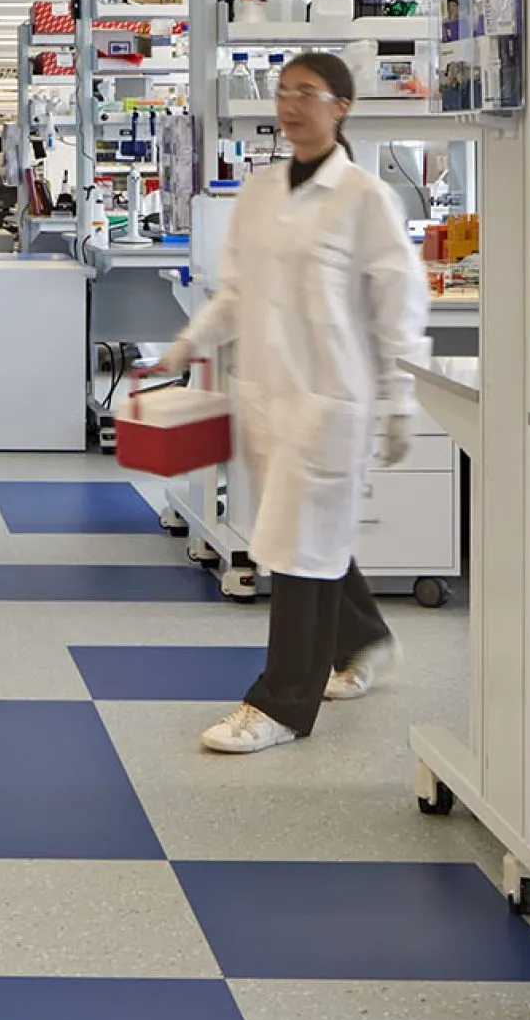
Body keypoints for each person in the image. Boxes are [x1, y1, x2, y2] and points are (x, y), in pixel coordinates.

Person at [157, 51, 431, 755]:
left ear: (341, 106)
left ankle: (280, 703)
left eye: (306, 93)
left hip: (335, 396)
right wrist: (187, 344)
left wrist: (400, 398)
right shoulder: (259, 191)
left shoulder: (365, 197)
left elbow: (398, 305)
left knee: (296, 548)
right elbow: (237, 290)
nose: (290, 105)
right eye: (283, 92)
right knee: (302, 533)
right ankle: (364, 636)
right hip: (270, 395)